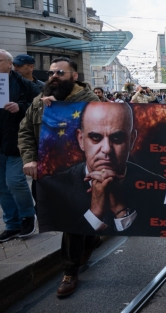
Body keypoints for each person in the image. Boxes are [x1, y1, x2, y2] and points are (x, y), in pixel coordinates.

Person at [18, 57, 103, 297]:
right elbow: (25, 131)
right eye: (52, 72)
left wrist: (61, 114)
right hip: (47, 173)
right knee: (55, 215)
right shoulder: (39, 101)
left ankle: (70, 272)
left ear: (74, 76)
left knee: (70, 221)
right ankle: (91, 239)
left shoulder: (90, 101)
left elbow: (95, 134)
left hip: (78, 173)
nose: (54, 76)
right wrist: (29, 159)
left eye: (60, 72)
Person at [0, 50, 38, 243]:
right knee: (2, 186)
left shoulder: (25, 84)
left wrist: (20, 107)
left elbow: (38, 103)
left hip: (16, 142)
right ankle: (12, 224)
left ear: (8, 63)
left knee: (14, 181)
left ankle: (27, 216)